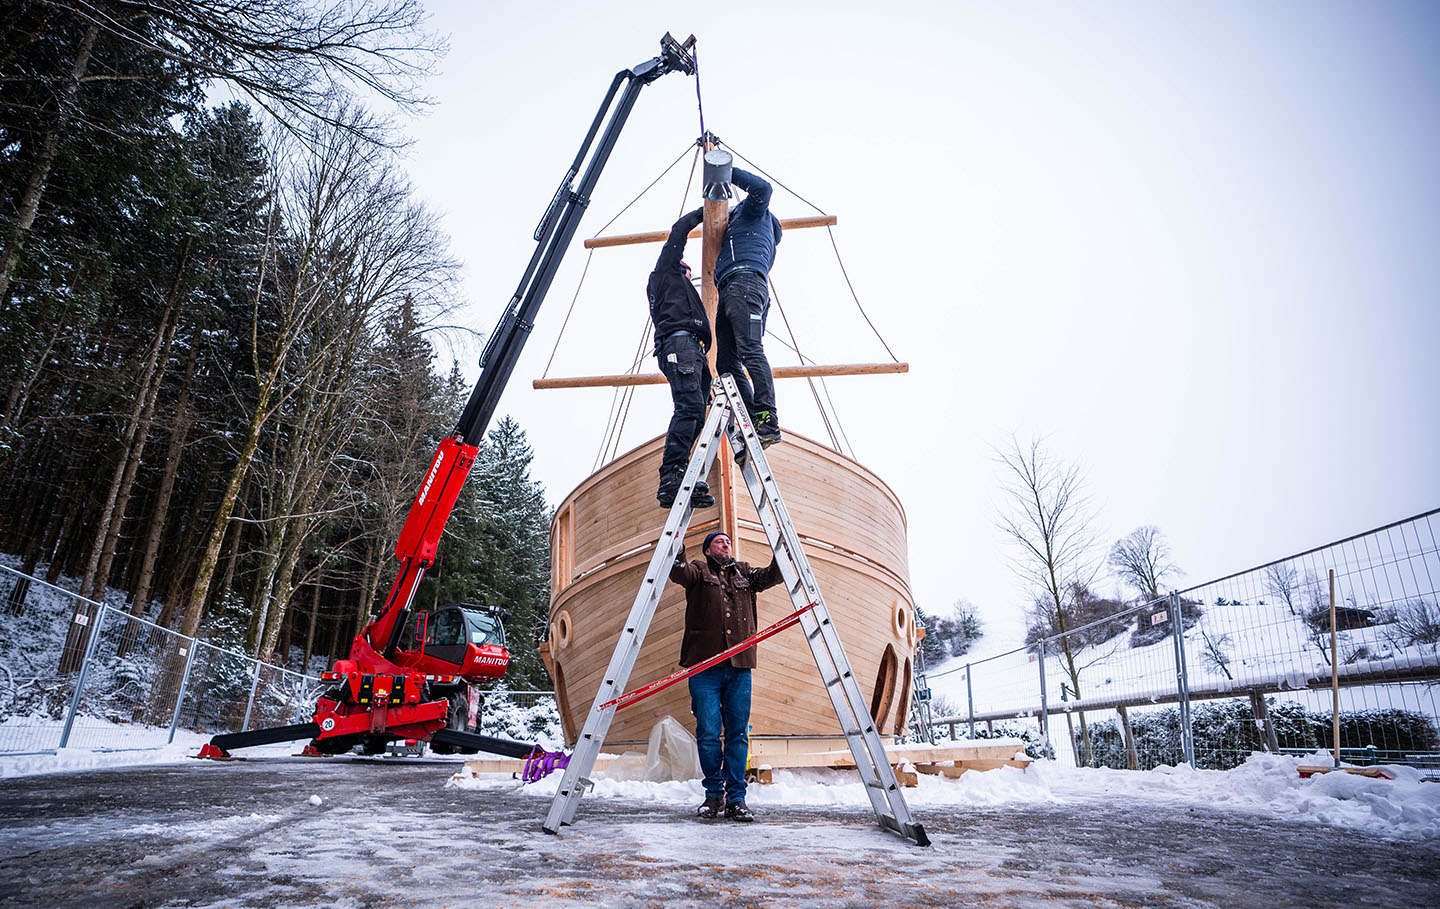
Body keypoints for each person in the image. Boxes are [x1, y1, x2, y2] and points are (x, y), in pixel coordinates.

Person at [669, 530, 783, 822]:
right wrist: (676, 548)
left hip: (739, 666)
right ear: (708, 550)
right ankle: (712, 796)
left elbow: (771, 576)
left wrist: (782, 550)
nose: (726, 544)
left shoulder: (745, 573)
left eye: (728, 541)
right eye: (719, 542)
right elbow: (679, 573)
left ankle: (736, 799)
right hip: (704, 666)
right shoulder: (697, 570)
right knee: (708, 733)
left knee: (737, 734)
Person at [648, 207, 715, 509]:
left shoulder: (686, 294)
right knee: (688, 407)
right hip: (678, 344)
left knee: (698, 412)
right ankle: (672, 476)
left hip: (695, 350)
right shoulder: (664, 276)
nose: (690, 276)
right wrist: (703, 213)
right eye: (686, 271)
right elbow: (676, 237)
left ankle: (682, 474)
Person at [714, 167, 783, 448]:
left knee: (750, 350)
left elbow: (762, 189)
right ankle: (755, 415)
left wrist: (725, 172)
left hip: (744, 287)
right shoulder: (753, 233)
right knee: (727, 363)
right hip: (740, 292)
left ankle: (767, 417)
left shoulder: (755, 214)